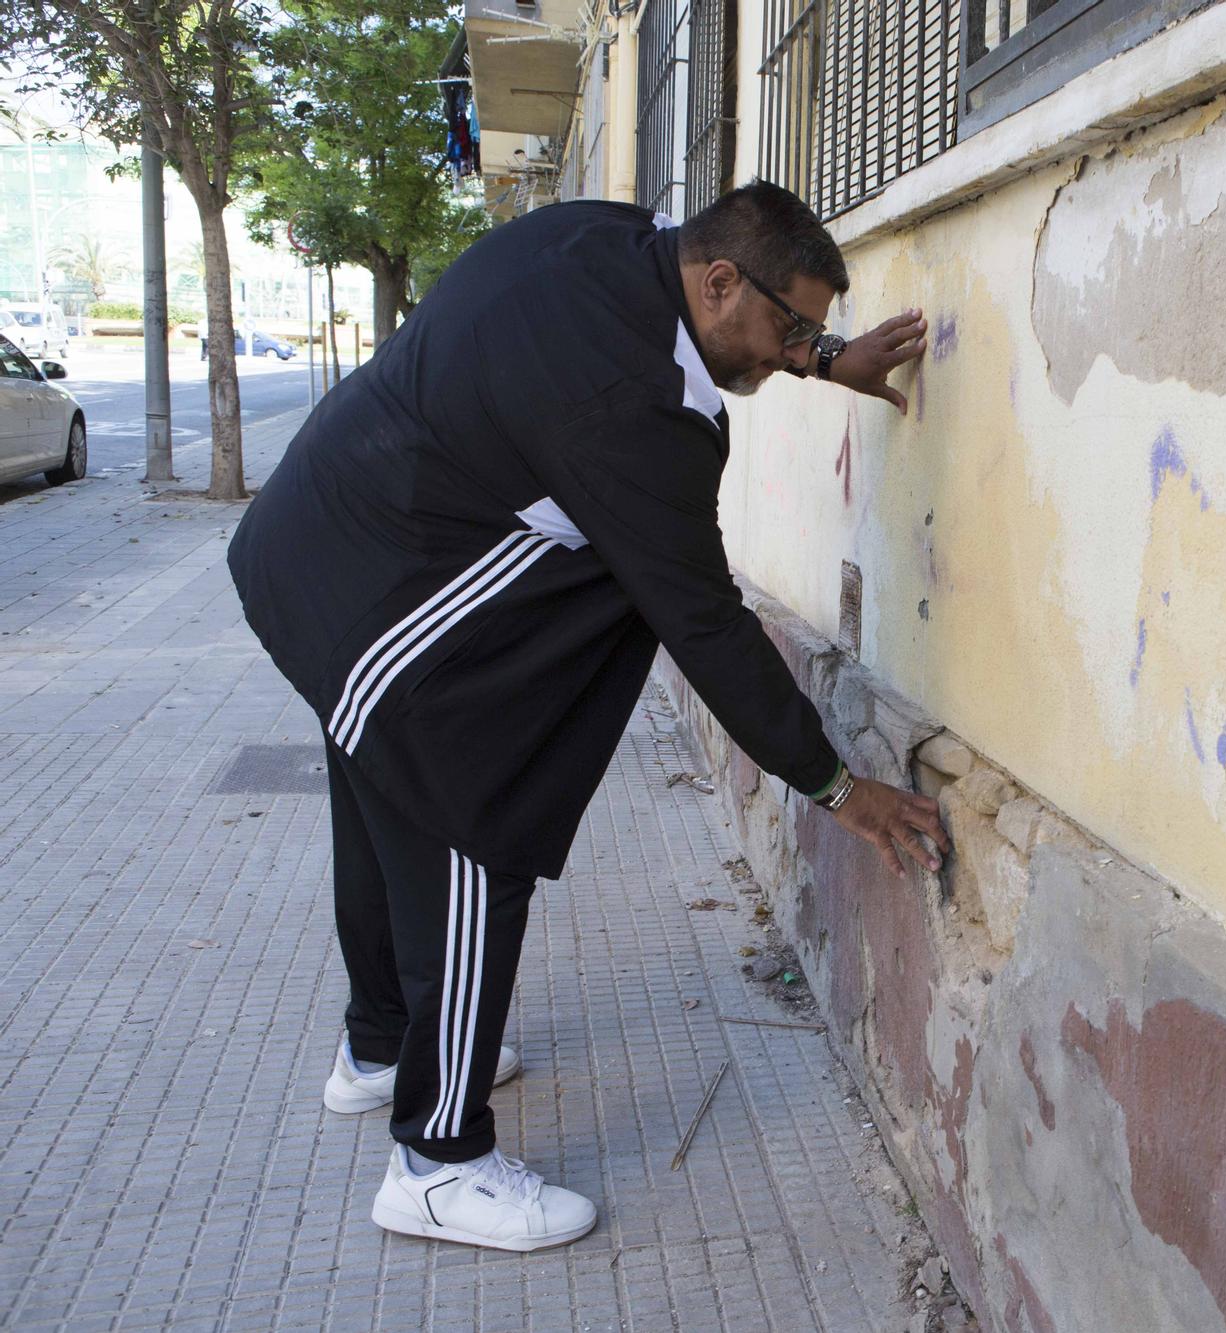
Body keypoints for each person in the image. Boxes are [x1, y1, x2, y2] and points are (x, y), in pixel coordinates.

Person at [228, 183, 950, 1252]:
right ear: (717, 283)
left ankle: (378, 1046)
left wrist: (815, 357)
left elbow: (722, 334)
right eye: (790, 324)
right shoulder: (634, 411)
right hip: (383, 592)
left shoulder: (607, 236)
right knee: (469, 825)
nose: (796, 343)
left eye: (807, 328)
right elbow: (702, 623)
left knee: (374, 792)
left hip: (317, 545)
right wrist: (834, 785)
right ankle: (437, 1159)